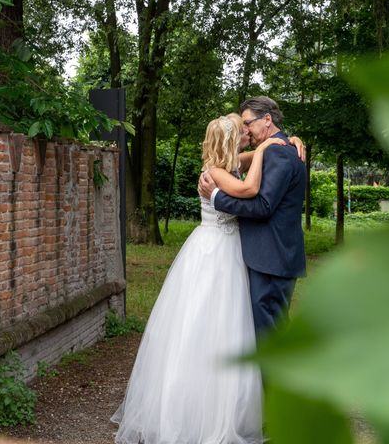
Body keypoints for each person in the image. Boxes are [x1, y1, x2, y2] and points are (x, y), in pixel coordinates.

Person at [111, 114, 286, 444]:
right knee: (207, 325)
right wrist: (266, 149)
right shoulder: (218, 173)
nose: (248, 137)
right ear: (230, 141)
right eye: (241, 134)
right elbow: (248, 188)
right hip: (215, 253)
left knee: (229, 327)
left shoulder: (225, 162)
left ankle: (228, 407)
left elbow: (246, 160)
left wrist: (283, 143)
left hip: (226, 249)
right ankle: (198, 414)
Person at [198, 96, 306, 336]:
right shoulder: (277, 149)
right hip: (267, 256)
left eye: (248, 123)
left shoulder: (277, 153)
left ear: (267, 120)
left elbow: (263, 206)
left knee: (268, 334)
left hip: (271, 259)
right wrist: (288, 140)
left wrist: (216, 197)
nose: (245, 130)